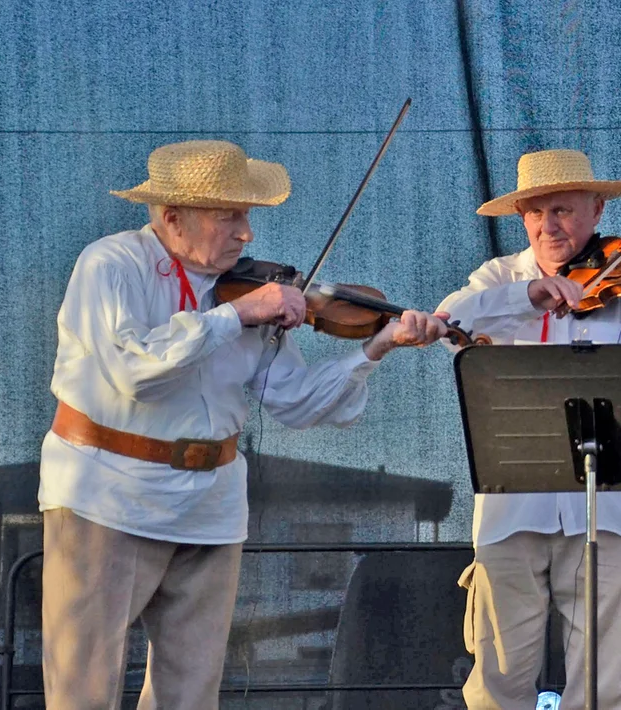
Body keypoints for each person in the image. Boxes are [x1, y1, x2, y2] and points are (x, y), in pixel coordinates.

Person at [38, 139, 448, 709]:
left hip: (211, 506)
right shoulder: (110, 264)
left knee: (191, 692)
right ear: (173, 218)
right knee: (82, 688)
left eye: (247, 215)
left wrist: (375, 347)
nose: (247, 233)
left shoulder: (256, 291)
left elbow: (297, 403)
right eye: (229, 215)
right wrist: (237, 314)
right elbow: (134, 372)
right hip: (107, 494)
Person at [439, 148, 621, 710]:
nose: (550, 225)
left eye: (565, 210)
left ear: (597, 211)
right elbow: (450, 320)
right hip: (510, 508)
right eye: (538, 212)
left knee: (604, 689)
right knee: (496, 688)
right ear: (522, 217)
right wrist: (526, 297)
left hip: (611, 506)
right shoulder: (498, 278)